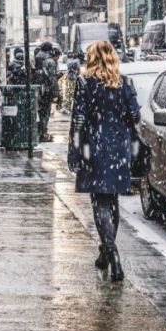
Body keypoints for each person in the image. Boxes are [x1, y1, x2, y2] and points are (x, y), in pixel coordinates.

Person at [67, 41, 140, 282]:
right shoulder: (125, 82)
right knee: (112, 200)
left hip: (94, 147)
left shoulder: (86, 83)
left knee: (99, 201)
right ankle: (105, 252)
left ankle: (112, 253)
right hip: (119, 148)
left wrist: (75, 149)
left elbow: (78, 119)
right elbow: (134, 116)